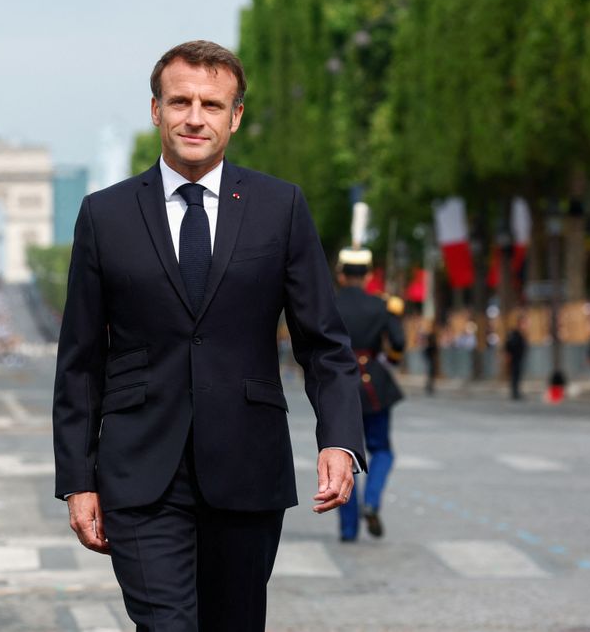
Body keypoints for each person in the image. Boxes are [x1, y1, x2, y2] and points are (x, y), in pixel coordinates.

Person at [53, 40, 365, 632]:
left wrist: (340, 439)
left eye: (212, 104)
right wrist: (77, 480)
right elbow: (80, 360)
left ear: (235, 116)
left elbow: (323, 341)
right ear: (156, 110)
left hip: (247, 467)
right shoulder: (104, 214)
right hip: (139, 474)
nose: (195, 117)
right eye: (181, 101)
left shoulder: (282, 207)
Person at [333, 237, 405, 543]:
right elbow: (398, 345)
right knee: (382, 450)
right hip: (374, 383)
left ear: (340, 273)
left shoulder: (328, 302)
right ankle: (372, 502)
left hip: (337, 383)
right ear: (369, 274)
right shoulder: (382, 304)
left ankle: (348, 530)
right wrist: (388, 358)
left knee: (341, 457)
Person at [504, 315, 527, 400]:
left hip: (519, 358)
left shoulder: (520, 334)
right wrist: (508, 355)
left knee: (517, 376)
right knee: (515, 376)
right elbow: (509, 345)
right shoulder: (515, 334)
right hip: (515, 359)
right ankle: (515, 392)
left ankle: (516, 392)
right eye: (524, 323)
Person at [423, 321, 438, 395]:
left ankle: (429, 387)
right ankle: (429, 387)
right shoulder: (429, 345)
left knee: (430, 374)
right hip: (430, 360)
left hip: (431, 360)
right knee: (429, 373)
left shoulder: (430, 344)